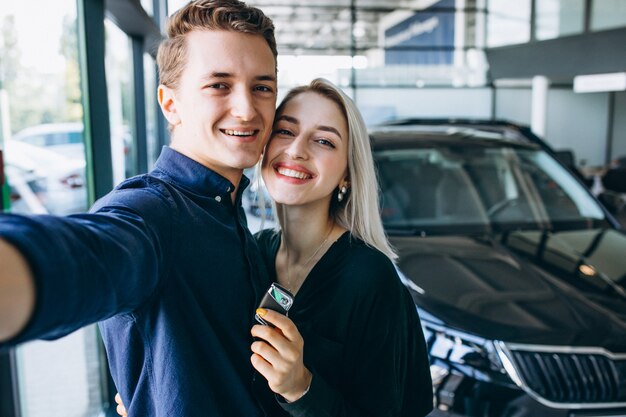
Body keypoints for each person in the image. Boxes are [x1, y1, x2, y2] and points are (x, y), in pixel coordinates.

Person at [0, 1, 278, 416]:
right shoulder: (153, 214)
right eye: (219, 85)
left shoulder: (229, 210)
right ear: (170, 104)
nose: (247, 108)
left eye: (262, 87)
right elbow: (84, 256)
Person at [116, 79, 433, 416]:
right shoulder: (253, 252)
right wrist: (152, 395)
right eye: (285, 131)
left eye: (324, 141)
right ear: (265, 147)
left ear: (347, 175)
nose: (297, 150)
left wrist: (301, 387)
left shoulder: (368, 278)